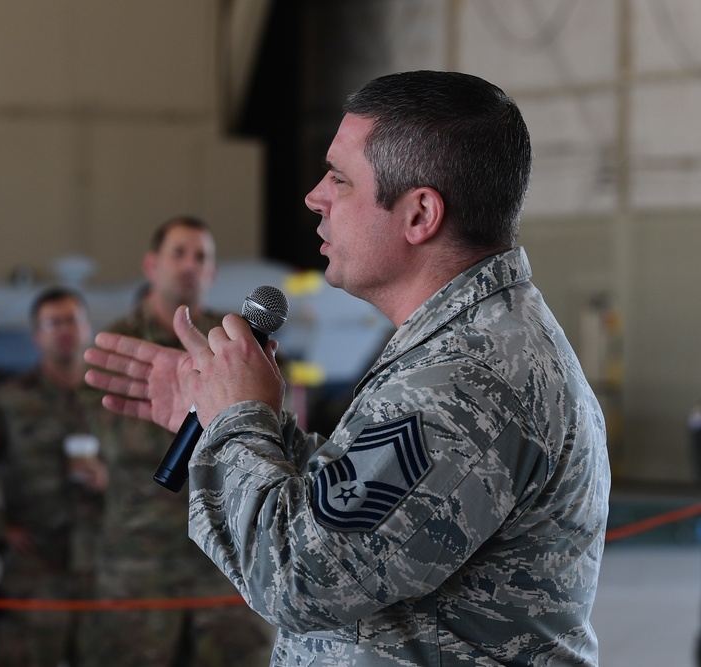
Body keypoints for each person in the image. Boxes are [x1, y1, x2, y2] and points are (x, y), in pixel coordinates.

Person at [83, 70, 611, 665]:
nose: (315, 196)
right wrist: (225, 416)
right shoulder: (468, 346)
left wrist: (237, 423)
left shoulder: (467, 379)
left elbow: (297, 576)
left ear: (419, 215)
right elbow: (371, 509)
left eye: (339, 178)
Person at [80, 216, 273, 667]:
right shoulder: (117, 348)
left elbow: (266, 437)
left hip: (222, 565)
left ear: (213, 272)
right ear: (151, 264)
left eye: (200, 256)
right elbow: (104, 436)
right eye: (178, 253)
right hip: (139, 564)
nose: (189, 265)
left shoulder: (235, 350)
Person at [0, 286, 109, 667]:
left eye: (72, 320)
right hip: (35, 573)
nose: (64, 329)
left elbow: (150, 469)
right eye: (53, 322)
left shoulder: (113, 399)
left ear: (88, 328)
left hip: (106, 572)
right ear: (37, 336)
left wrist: (110, 480)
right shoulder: (9, 403)